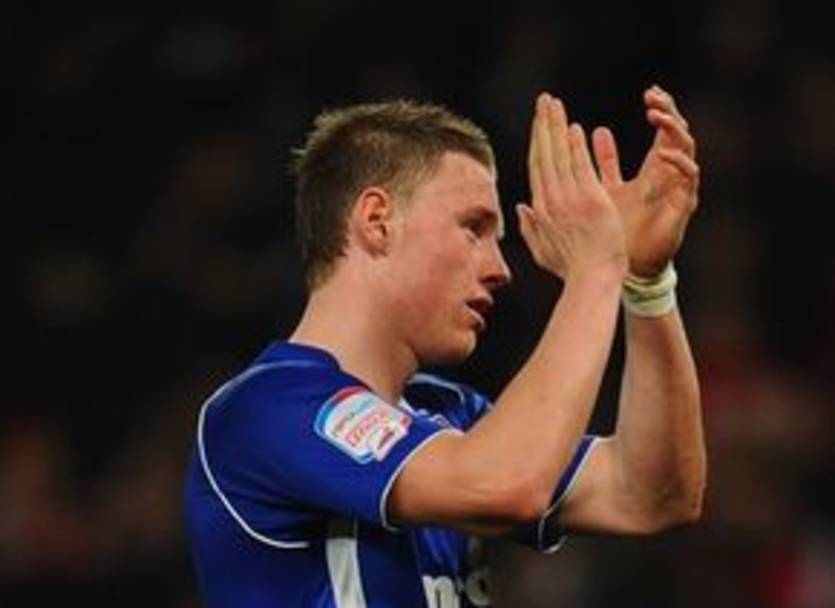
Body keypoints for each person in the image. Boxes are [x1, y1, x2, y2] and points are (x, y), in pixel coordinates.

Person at [185, 86, 706, 607]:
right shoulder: (267, 408)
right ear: (377, 222)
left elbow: (653, 496)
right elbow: (507, 485)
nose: (500, 269)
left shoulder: (449, 414)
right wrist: (597, 268)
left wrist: (645, 284)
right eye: (474, 228)